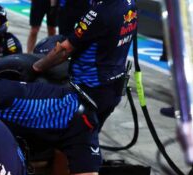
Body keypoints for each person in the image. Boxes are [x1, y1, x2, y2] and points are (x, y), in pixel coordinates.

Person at [32, 0, 137, 128]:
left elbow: (65, 50)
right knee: (92, 132)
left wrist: (36, 67)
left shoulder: (99, 12)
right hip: (114, 87)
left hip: (89, 90)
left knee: (69, 135)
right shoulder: (130, 4)